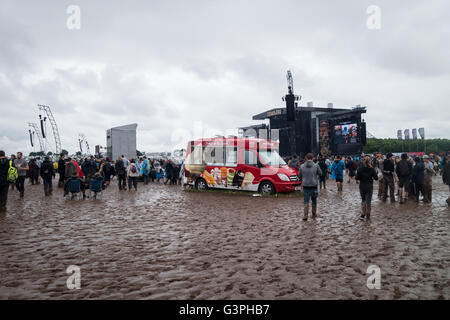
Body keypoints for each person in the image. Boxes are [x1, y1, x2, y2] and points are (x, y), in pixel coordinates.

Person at [298, 153, 322, 221]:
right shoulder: (316, 165)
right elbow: (321, 173)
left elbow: (299, 176)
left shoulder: (302, 166)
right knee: (314, 201)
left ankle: (305, 216)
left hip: (305, 186)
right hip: (314, 186)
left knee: (306, 201)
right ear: (313, 158)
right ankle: (313, 214)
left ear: (306, 158)